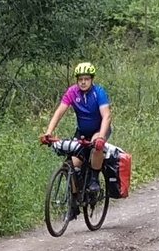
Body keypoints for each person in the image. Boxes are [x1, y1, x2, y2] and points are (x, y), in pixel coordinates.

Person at [42, 63, 112, 194]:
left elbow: (106, 116)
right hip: (82, 132)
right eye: (80, 79)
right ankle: (73, 202)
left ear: (92, 80)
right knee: (73, 165)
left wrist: (101, 137)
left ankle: (94, 179)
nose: (83, 82)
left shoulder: (99, 92)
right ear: (77, 80)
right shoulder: (72, 92)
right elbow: (59, 112)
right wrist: (48, 133)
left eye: (86, 79)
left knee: (96, 145)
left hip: (99, 129)